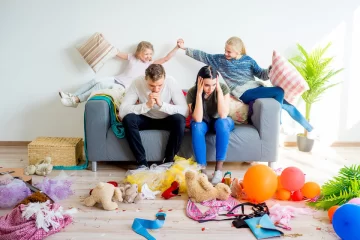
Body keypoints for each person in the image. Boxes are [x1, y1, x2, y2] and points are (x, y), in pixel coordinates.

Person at [177, 37, 317, 138]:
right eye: (225, 50)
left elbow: (262, 75)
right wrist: (184, 48)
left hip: (255, 88)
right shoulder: (220, 60)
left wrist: (271, 69)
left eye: (229, 52)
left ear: (239, 52)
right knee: (279, 91)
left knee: (287, 104)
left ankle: (309, 128)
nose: (226, 54)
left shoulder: (248, 60)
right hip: (243, 93)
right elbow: (203, 56)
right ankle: (278, 124)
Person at [60, 40, 181, 108]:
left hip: (123, 87)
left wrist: (177, 47)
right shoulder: (132, 57)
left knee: (100, 86)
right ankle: (72, 95)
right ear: (139, 53)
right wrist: (101, 43)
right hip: (116, 79)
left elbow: (165, 58)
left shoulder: (150, 64)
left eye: (150, 54)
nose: (149, 56)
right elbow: (116, 52)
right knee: (95, 81)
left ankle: (76, 100)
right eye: (146, 54)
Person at [119, 64, 188, 168]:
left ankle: (168, 161)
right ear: (145, 79)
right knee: (128, 119)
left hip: (166, 119)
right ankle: (142, 162)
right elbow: (122, 111)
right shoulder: (137, 82)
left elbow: (185, 111)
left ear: (164, 78)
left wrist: (162, 105)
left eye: (160, 85)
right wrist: (146, 106)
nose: (156, 89)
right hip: (145, 118)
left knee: (180, 119)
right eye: (152, 85)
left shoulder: (171, 82)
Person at [187, 65, 234, 184]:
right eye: (207, 85)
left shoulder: (222, 88)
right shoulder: (192, 92)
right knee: (197, 127)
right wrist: (198, 93)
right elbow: (197, 119)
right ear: (200, 81)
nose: (210, 89)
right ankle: (202, 171)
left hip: (222, 121)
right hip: (204, 122)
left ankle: (218, 170)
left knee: (222, 123)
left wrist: (218, 90)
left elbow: (223, 114)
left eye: (213, 84)